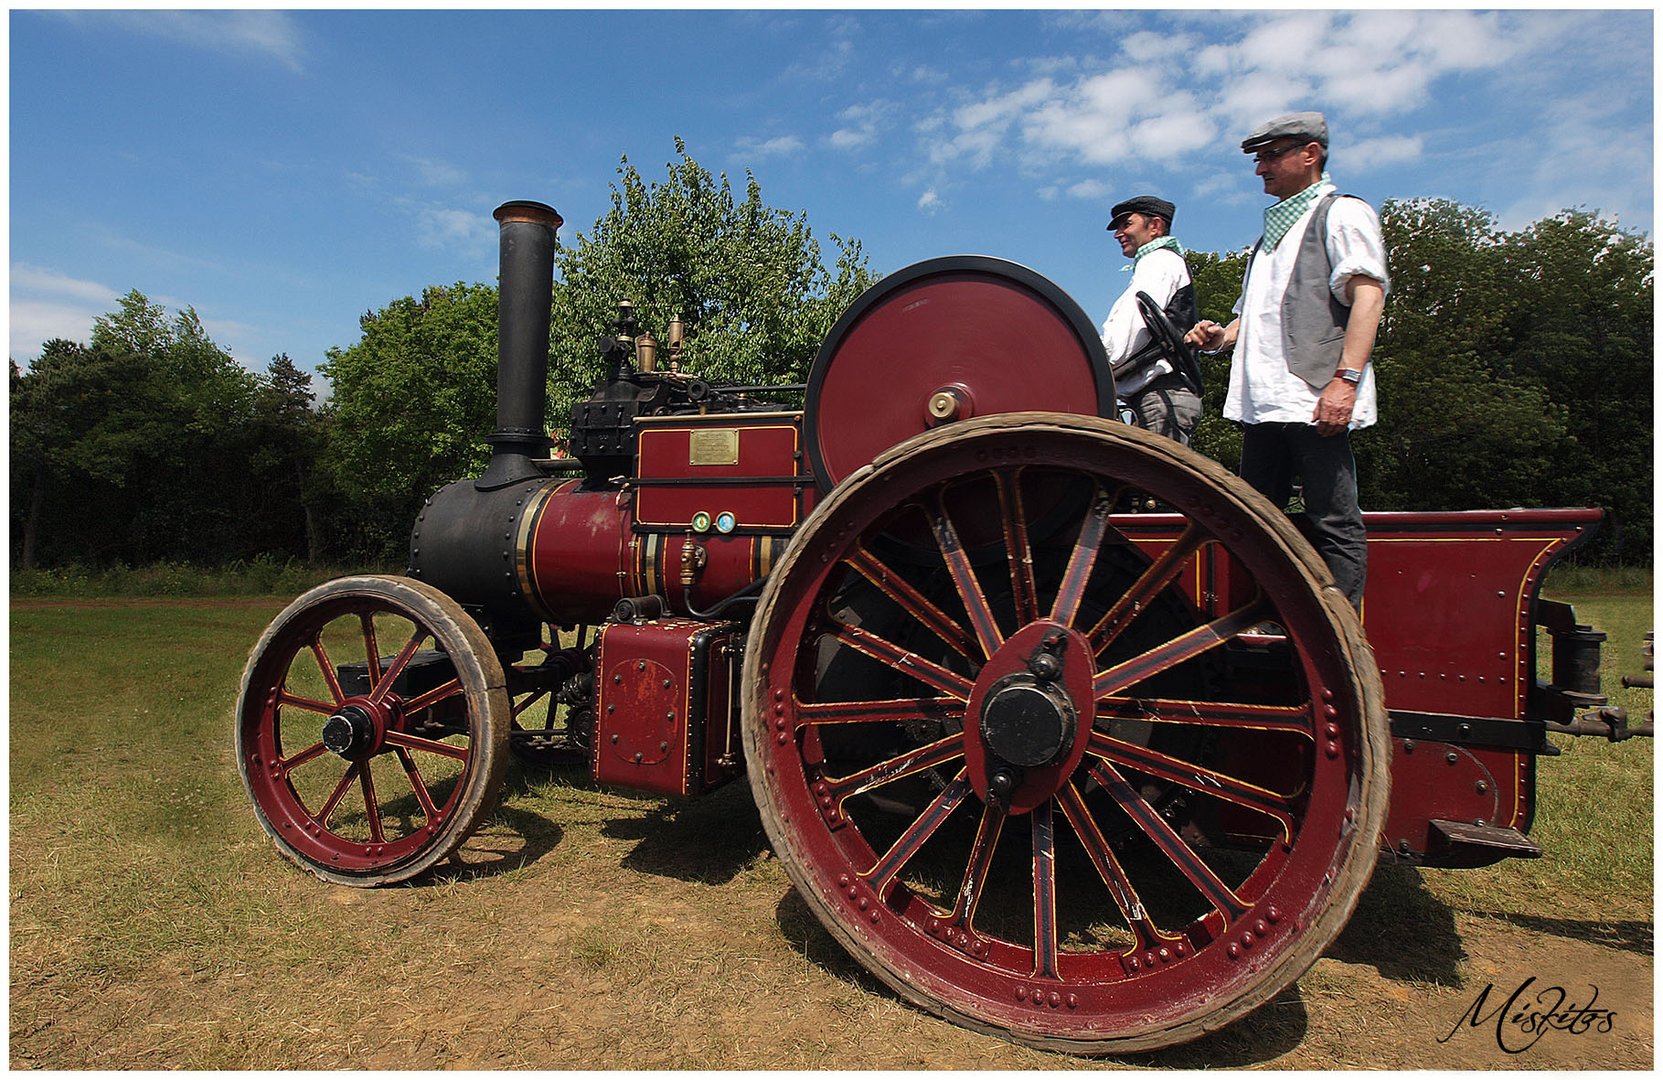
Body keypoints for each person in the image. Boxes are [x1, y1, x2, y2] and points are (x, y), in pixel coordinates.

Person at [1185, 112, 1388, 607]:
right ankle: (1277, 621)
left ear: (1310, 153)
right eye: (1259, 158)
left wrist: (1345, 382)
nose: (1260, 168)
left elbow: (1369, 297)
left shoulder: (1341, 213)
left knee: (1333, 519)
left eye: (1272, 155)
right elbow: (1253, 320)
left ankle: (1340, 641)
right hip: (1265, 403)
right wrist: (1218, 337)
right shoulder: (1269, 237)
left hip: (1314, 394)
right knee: (1260, 521)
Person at [1099, 195, 1203, 445]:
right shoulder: (1159, 263)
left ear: (1155, 226)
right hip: (1152, 396)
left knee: (1154, 480)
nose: (1118, 234)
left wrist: (1093, 363)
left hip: (1160, 397)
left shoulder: (1160, 261)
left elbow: (1128, 332)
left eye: (1127, 224)